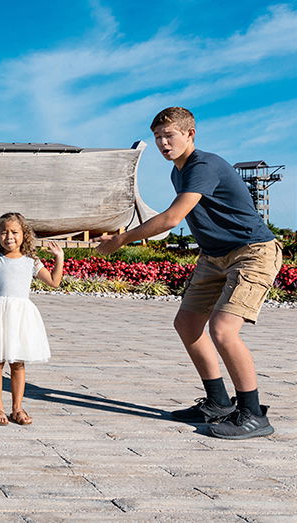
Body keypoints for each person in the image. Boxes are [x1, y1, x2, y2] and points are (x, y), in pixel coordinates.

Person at [96, 107, 282, 440]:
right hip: (214, 257)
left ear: (190, 135)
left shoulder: (203, 166)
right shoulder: (177, 173)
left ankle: (253, 414)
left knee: (223, 330)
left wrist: (122, 239)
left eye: (169, 135)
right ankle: (217, 402)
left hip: (252, 252)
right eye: (157, 137)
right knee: (187, 323)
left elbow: (170, 219)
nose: (163, 143)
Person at [0, 213, 63, 426]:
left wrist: (59, 258)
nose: (9, 236)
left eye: (14, 232)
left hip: (20, 316)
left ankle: (17, 407)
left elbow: (54, 281)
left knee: (18, 363)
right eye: (4, 232)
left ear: (23, 235)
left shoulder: (31, 261)